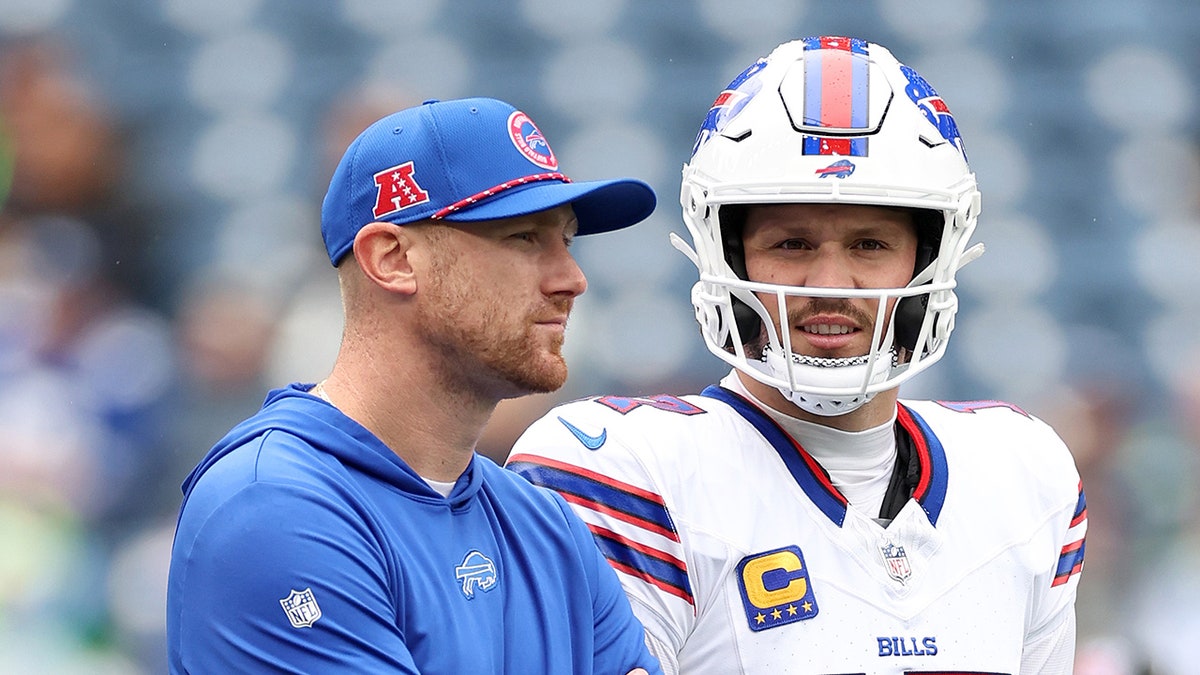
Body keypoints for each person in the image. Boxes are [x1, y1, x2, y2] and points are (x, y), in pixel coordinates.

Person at [507, 36, 1087, 674]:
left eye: (869, 245)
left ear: (927, 260)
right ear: (731, 257)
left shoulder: (1025, 475)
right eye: (792, 243)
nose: (830, 283)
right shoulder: (631, 471)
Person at [166, 96, 664, 674]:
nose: (572, 280)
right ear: (393, 258)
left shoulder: (547, 529)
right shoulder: (272, 507)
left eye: (568, 242)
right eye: (525, 238)